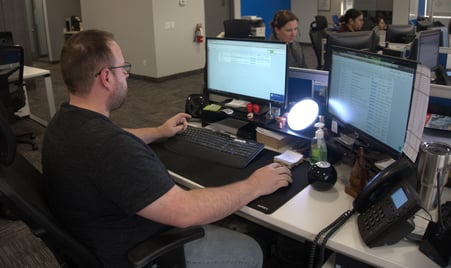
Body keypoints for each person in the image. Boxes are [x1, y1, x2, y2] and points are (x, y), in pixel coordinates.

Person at [41, 29, 293, 268]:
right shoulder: (111, 149)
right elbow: (185, 212)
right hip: (140, 252)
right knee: (250, 249)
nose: (127, 75)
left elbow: (115, 137)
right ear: (106, 77)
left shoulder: (63, 122)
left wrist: (159, 132)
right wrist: (254, 185)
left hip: (99, 237)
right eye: (124, 68)